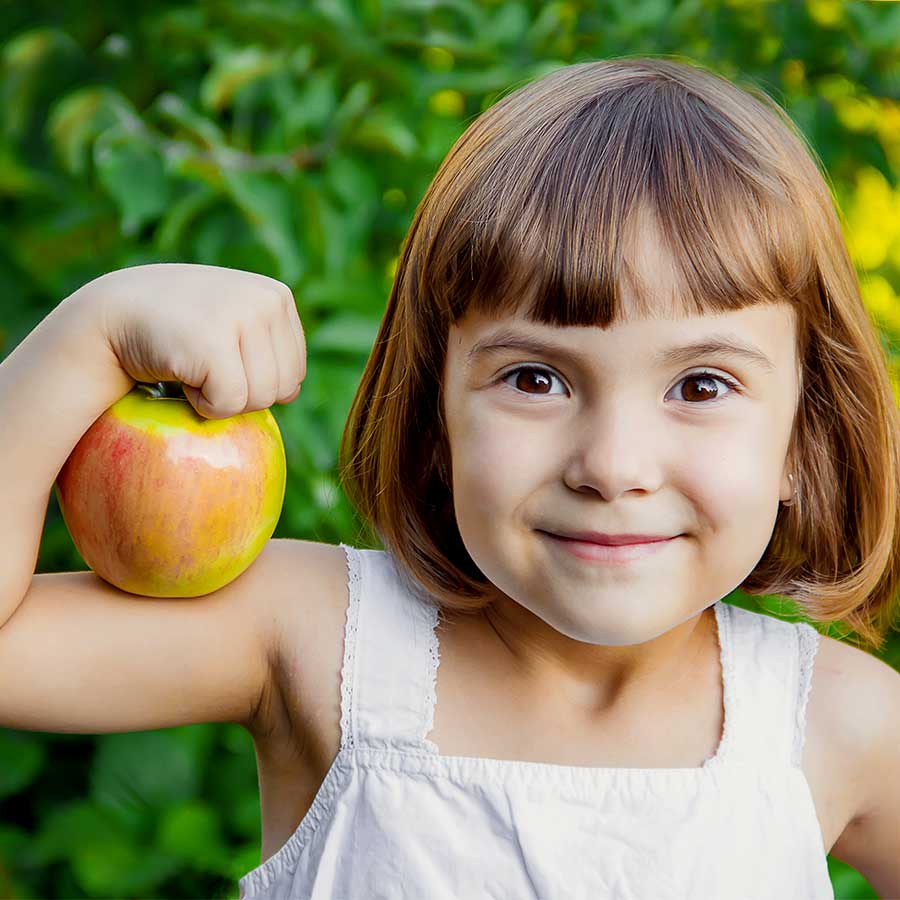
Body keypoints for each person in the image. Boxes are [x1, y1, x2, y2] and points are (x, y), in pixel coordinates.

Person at [1, 54, 899, 900]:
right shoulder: (318, 640)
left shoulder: (840, 724)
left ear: (803, 438)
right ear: (435, 414)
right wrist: (86, 338)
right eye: (535, 379)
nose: (613, 466)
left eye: (701, 385)